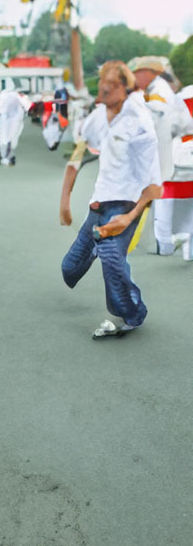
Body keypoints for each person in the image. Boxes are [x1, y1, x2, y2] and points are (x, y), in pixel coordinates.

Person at [59, 61, 162, 339]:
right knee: (69, 269)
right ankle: (100, 243)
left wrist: (129, 217)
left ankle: (133, 314)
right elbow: (78, 154)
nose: (104, 88)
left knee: (113, 262)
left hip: (125, 205)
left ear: (126, 88)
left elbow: (153, 186)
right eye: (103, 81)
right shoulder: (97, 117)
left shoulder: (139, 122)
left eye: (112, 84)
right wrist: (65, 199)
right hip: (97, 205)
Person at [128, 55, 188, 254]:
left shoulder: (158, 92)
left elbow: (152, 122)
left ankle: (164, 242)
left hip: (163, 151)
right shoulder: (155, 90)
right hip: (165, 150)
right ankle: (163, 241)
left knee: (161, 194)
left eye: (136, 74)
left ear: (148, 72)